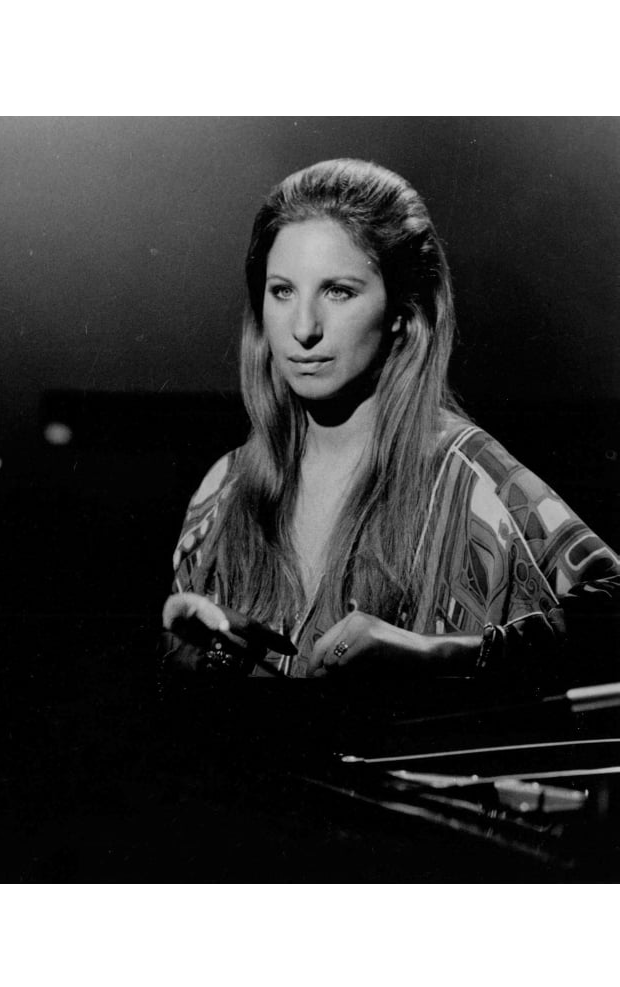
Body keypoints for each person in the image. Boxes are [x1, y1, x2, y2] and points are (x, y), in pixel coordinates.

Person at [163, 159, 619, 683]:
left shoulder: (466, 474)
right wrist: (181, 657)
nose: (304, 328)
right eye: (282, 291)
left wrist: (434, 653)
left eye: (339, 291)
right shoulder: (224, 489)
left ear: (402, 311)